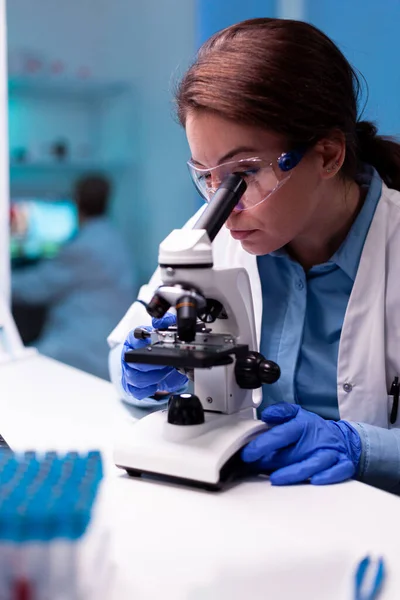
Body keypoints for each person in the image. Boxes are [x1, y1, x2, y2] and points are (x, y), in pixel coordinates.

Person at [108, 18, 400, 493]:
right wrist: (134, 367)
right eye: (206, 176)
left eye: (244, 172)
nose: (224, 204)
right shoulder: (206, 237)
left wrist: (361, 448)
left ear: (327, 155)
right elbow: (124, 348)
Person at [13, 174, 135, 379]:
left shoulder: (84, 248)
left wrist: (7, 281)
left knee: (16, 367)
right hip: (104, 345)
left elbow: (33, 288)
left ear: (77, 202)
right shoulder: (112, 238)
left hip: (83, 349)